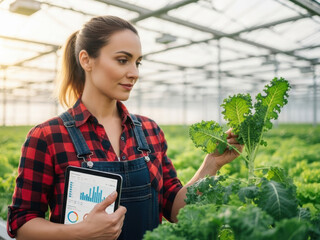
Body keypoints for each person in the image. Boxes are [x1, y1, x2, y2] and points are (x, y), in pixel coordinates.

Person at [7, 15, 242, 240]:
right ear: (86, 60)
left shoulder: (150, 131)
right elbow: (22, 225)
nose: (134, 73)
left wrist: (211, 164)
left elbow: (175, 210)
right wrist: (80, 233)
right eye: (123, 60)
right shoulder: (48, 136)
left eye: (137, 62)